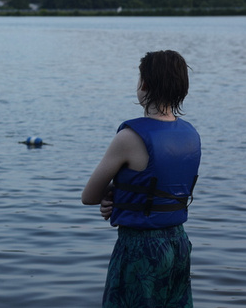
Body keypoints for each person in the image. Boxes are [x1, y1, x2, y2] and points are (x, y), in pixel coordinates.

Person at [82, 50, 201, 308]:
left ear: (144, 84)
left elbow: (89, 196)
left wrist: (114, 195)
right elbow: (159, 186)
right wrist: (123, 196)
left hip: (140, 248)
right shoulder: (191, 136)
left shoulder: (129, 137)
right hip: (179, 244)